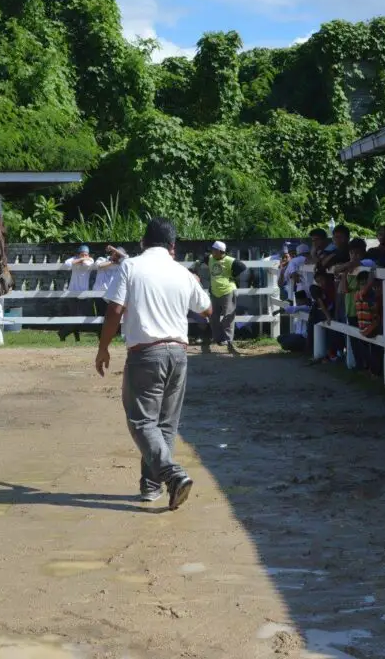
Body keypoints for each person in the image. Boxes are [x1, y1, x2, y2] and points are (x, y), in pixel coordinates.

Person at [95, 218, 211, 510]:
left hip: (147, 353)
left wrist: (103, 347)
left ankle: (172, 475)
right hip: (179, 353)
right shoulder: (181, 272)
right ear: (172, 246)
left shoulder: (131, 266)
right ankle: (151, 486)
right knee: (165, 424)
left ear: (143, 242)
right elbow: (207, 309)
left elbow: (114, 310)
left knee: (141, 421)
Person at [198, 241, 245, 355]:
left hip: (227, 291)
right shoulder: (210, 258)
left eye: (214, 250)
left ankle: (228, 340)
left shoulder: (230, 260)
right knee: (213, 316)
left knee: (228, 316)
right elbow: (201, 258)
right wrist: (197, 263)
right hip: (214, 292)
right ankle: (217, 338)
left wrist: (232, 276)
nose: (212, 252)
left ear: (220, 252)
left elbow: (242, 267)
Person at [59, 244, 95, 342]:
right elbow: (67, 264)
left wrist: (80, 260)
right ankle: (71, 336)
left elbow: (88, 264)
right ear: (78, 254)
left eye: (86, 254)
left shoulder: (90, 260)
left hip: (83, 293)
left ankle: (63, 333)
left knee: (80, 316)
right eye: (82, 254)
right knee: (73, 316)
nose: (84, 256)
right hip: (72, 292)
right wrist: (80, 259)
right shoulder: (74, 259)